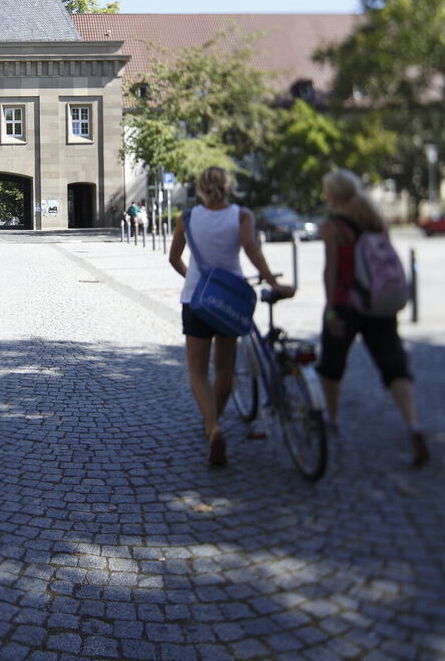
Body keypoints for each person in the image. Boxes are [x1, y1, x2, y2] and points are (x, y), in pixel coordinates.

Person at [168, 166, 293, 467]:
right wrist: (275, 284)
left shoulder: (186, 218)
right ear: (227, 186)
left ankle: (213, 426)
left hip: (196, 300)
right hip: (230, 300)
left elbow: (173, 258)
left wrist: (193, 279)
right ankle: (215, 421)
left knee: (197, 370)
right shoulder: (242, 216)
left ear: (199, 188)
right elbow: (252, 251)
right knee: (224, 367)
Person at [319, 168, 429, 467]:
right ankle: (413, 425)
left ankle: (332, 419)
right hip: (379, 304)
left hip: (345, 304)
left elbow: (331, 272)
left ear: (334, 195)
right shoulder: (375, 220)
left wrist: (330, 309)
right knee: (394, 364)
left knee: (331, 364)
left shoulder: (332, 227)